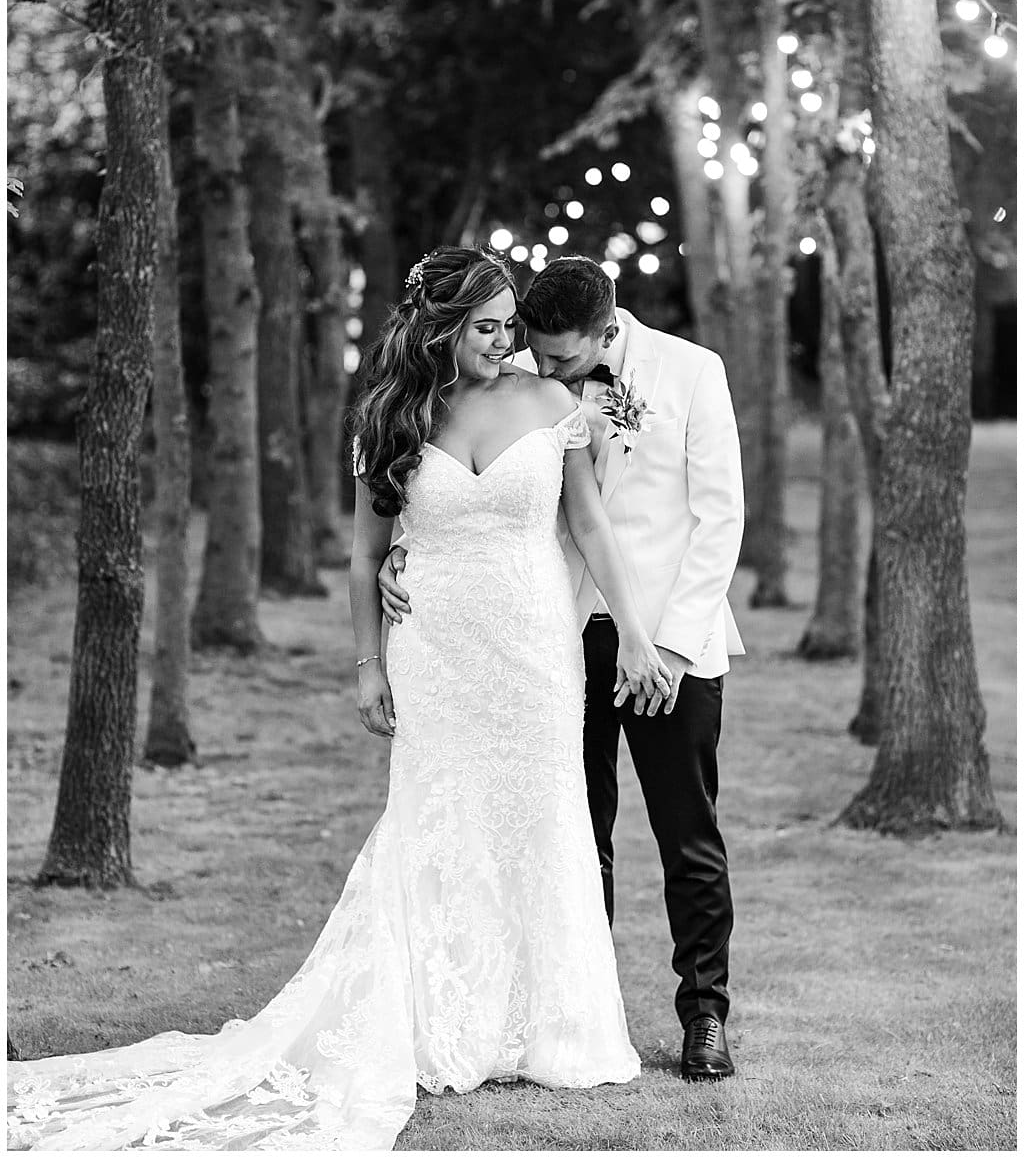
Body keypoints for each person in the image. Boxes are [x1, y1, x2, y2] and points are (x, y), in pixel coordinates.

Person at [8, 246, 671, 1152]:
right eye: (485, 327)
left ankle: (551, 1027)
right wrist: (369, 661)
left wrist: (633, 631)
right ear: (439, 328)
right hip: (435, 653)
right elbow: (367, 552)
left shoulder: (554, 404)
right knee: (437, 820)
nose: (504, 341)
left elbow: (587, 522)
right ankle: (446, 1021)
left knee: (543, 816)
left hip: (534, 652)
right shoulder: (394, 416)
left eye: (509, 325)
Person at [381, 253, 745, 1082]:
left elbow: (720, 517)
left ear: (608, 332)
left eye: (559, 359)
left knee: (687, 836)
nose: (538, 368)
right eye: (532, 354)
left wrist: (673, 647)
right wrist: (402, 555)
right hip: (549, 638)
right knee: (575, 833)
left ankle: (706, 1013)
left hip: (666, 642)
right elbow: (465, 486)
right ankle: (580, 1011)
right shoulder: (515, 374)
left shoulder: (693, 373)